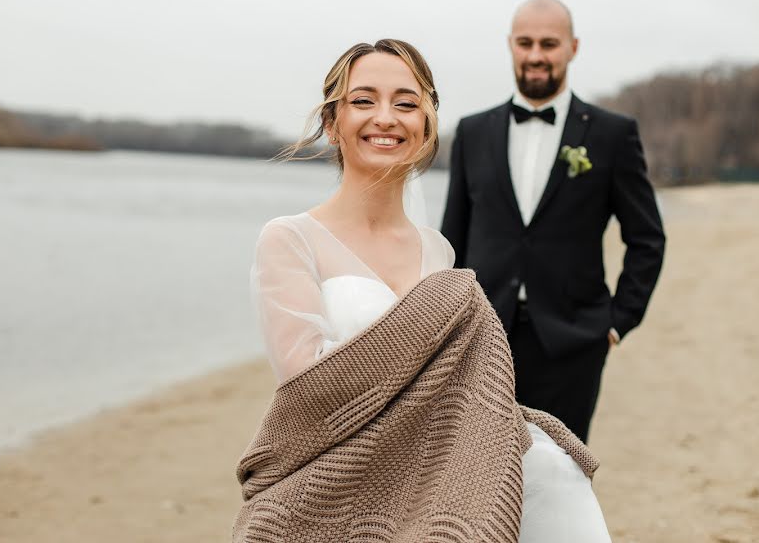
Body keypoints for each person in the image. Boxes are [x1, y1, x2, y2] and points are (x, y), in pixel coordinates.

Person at [233, 39, 611, 541]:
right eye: (363, 101)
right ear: (332, 122)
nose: (385, 117)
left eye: (406, 103)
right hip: (342, 473)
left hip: (443, 470)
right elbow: (310, 392)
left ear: (427, 125)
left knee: (556, 470)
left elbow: (469, 383)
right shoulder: (289, 238)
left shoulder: (439, 254)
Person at [441, 0, 666, 443]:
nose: (536, 55)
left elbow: (647, 238)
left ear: (573, 47)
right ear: (511, 45)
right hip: (480, 339)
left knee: (561, 478)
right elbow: (453, 240)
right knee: (475, 476)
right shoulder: (472, 132)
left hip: (573, 342)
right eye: (525, 43)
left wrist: (617, 322)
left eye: (549, 43)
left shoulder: (611, 135)